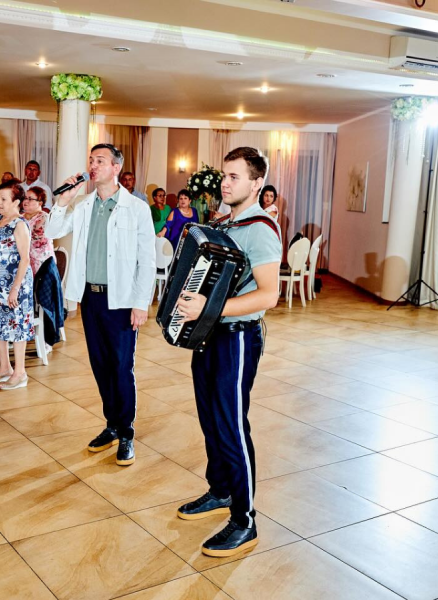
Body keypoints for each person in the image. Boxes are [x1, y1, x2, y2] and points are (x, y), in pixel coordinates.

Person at [175, 147, 281, 558]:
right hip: (209, 334)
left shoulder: (261, 229)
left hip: (237, 338)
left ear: (256, 183)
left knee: (232, 424)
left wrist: (210, 307)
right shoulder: (225, 223)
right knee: (211, 419)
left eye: (235, 176)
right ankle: (220, 490)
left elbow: (268, 295)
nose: (225, 183)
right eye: (224, 175)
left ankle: (245, 519)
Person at [45, 143, 155, 467]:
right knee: (100, 365)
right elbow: (52, 230)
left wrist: (141, 303)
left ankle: (126, 431)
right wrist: (63, 199)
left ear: (116, 167)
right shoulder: (82, 205)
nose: (93, 165)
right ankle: (111, 425)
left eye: (100, 161)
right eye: (91, 160)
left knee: (121, 366)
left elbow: (147, 261)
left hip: (121, 300)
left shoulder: (136, 208)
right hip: (91, 298)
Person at [0, 181, 34, 390]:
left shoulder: (19, 224)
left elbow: (25, 258)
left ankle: (20, 373)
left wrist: (15, 288)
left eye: (4, 199)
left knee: (17, 325)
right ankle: (4, 368)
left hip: (15, 283)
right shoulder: (0, 221)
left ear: (16, 202)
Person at [22, 187, 55, 276]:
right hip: (23, 260)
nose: (26, 201)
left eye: (30, 199)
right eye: (25, 198)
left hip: (41, 262)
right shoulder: (19, 217)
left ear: (40, 203)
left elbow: (36, 242)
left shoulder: (44, 218)